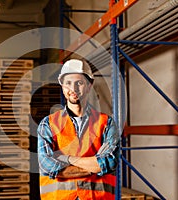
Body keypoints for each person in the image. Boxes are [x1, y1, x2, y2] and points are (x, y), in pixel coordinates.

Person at [37, 59, 120, 200]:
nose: (73, 89)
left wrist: (65, 159)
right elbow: (48, 166)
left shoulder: (106, 123)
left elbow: (109, 162)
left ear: (89, 86)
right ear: (62, 87)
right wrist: (93, 164)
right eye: (68, 83)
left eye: (79, 83)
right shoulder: (48, 124)